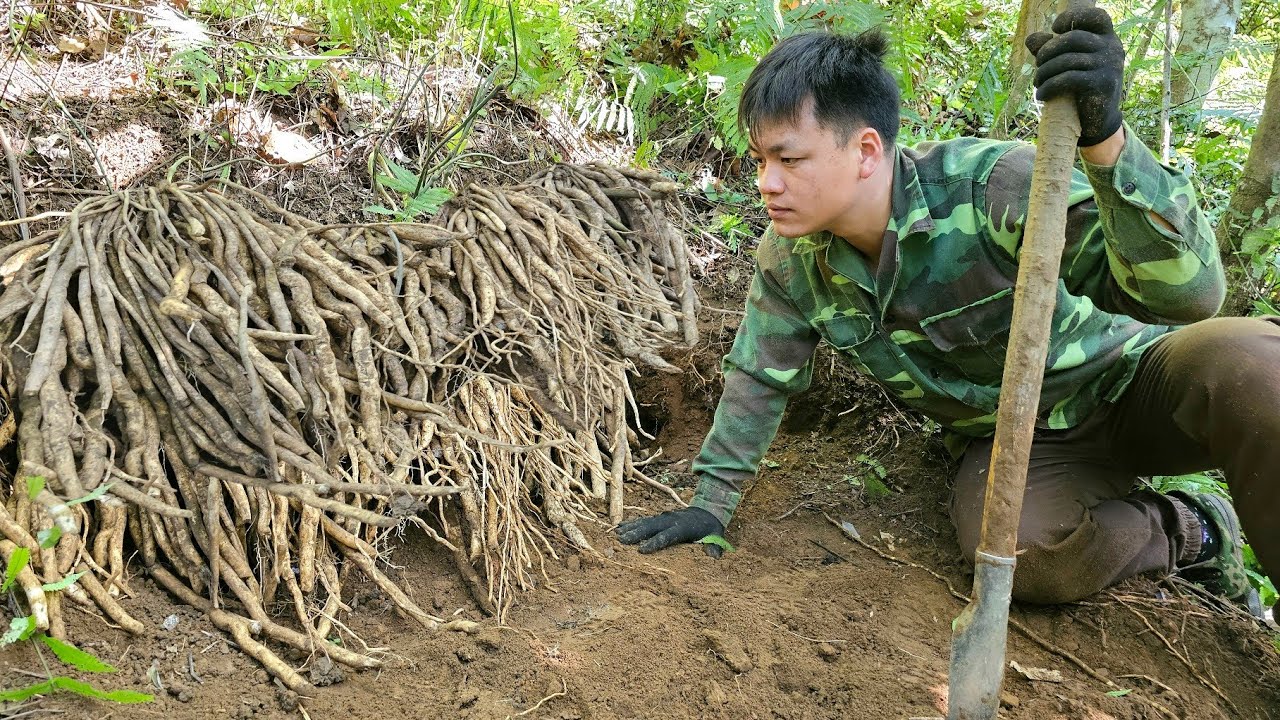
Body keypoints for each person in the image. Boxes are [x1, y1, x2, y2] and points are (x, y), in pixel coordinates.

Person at [616, 8, 1277, 611]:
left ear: (865, 151)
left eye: (789, 159)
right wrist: (712, 504)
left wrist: (1107, 143)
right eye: (761, 159)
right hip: (1024, 443)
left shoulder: (993, 188)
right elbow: (760, 377)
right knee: (1017, 558)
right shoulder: (792, 262)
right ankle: (1195, 528)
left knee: (1255, 365)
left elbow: (1186, 298)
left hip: (1135, 382)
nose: (767, 182)